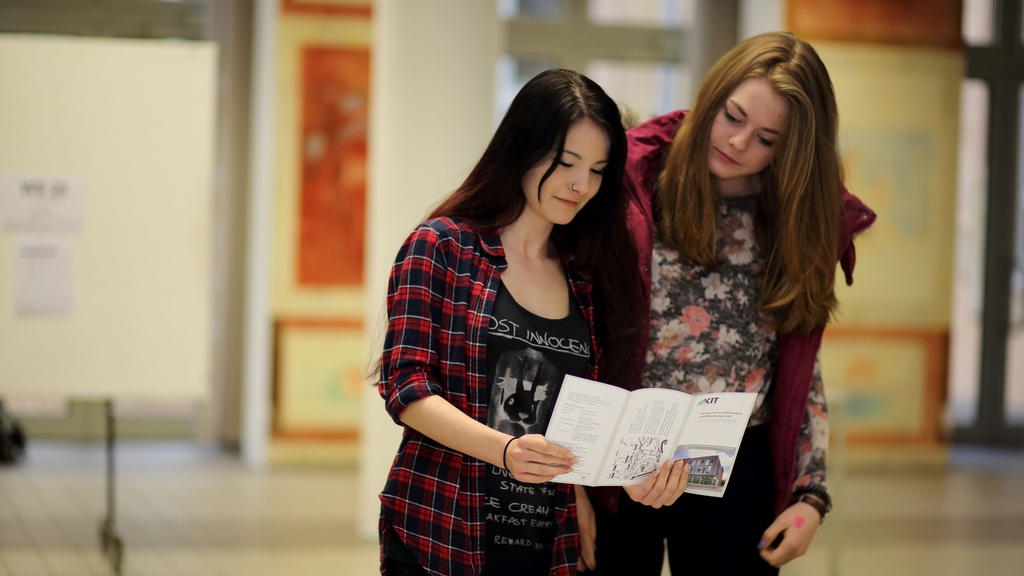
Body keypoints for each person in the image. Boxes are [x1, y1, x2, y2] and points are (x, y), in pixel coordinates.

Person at [578, 32, 877, 575]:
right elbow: (574, 332)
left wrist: (811, 496)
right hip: (616, 454)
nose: (739, 143)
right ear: (711, 96)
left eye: (766, 137)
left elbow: (800, 368)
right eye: (732, 116)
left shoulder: (797, 218)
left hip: (738, 462)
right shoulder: (629, 184)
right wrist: (569, 480)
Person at [376, 68, 659, 576]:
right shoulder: (442, 247)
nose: (581, 184)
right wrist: (505, 451)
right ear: (523, 148)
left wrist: (609, 483)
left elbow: (581, 416)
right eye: (567, 162)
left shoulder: (582, 276)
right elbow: (406, 387)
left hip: (547, 543)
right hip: (441, 529)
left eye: (597, 169)